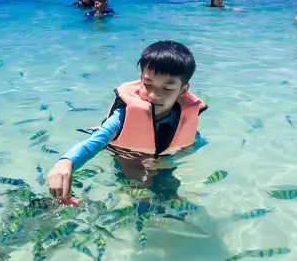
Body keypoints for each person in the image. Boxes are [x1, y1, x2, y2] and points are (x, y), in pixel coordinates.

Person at [48, 41, 206, 200]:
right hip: (127, 162)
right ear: (141, 79)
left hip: (161, 165)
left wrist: (170, 161)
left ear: (183, 90)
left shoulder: (183, 118)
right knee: (138, 196)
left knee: (171, 196)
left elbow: (196, 143)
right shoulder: (122, 117)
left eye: (167, 88)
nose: (153, 95)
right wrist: (66, 162)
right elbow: (93, 143)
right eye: (148, 84)